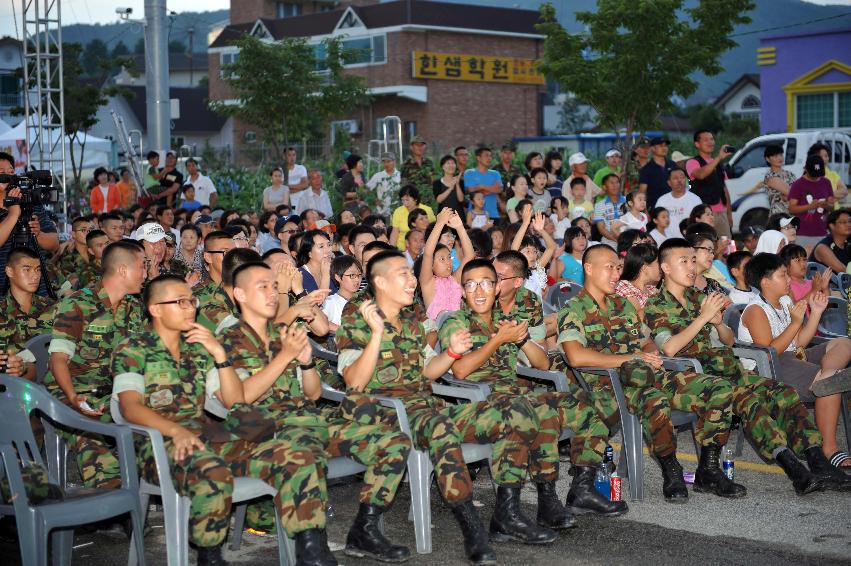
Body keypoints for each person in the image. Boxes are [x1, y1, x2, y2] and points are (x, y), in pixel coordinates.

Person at [336, 250, 556, 564]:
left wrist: (451, 353)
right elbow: (354, 382)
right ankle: (472, 531)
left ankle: (506, 516)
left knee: (515, 412)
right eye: (404, 273)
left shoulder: (411, 318)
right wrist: (375, 335)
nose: (413, 280)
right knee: (439, 426)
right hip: (381, 414)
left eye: (411, 274)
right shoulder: (357, 315)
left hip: (425, 408)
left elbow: (427, 371)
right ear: (380, 282)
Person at [114, 274, 336, 566]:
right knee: (214, 472)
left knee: (296, 457)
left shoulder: (200, 347)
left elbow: (234, 401)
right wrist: (176, 431)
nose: (190, 308)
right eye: (180, 302)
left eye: (192, 301)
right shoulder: (133, 349)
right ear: (155, 309)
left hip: (206, 437)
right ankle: (210, 556)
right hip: (160, 445)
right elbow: (129, 408)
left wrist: (219, 355)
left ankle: (311, 552)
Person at [216, 262, 412, 561]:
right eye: (263, 287)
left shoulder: (287, 333)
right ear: (240, 294)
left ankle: (364, 529)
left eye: (274, 285)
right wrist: (285, 357)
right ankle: (312, 548)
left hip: (307, 422)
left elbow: (313, 394)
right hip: (264, 432)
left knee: (393, 441)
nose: (272, 293)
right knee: (304, 451)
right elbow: (239, 399)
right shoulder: (227, 341)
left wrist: (306, 362)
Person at [646, 240, 850, 493]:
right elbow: (669, 349)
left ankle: (818, 462)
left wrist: (719, 323)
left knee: (782, 392)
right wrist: (703, 318)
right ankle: (794, 470)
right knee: (748, 400)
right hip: (690, 375)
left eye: (693, 260)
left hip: (725, 368)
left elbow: (729, 340)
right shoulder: (656, 304)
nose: (692, 266)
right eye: (684, 261)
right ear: (665, 267)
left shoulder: (700, 298)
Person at [441, 258, 628, 519]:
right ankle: (546, 499)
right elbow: (460, 370)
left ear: (496, 289)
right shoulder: (456, 322)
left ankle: (581, 490)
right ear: (463, 291)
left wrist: (522, 338)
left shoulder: (506, 321)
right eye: (471, 284)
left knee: (589, 405)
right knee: (543, 411)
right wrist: (497, 341)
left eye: (486, 283)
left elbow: (541, 364)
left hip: (516, 395)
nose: (479, 290)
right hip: (480, 403)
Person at [558, 244, 742, 502]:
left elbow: (644, 340)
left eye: (618, 268)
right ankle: (672, 470)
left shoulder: (623, 305)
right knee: (654, 400)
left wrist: (651, 351)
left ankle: (708, 470)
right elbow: (576, 357)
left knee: (719, 388)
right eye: (609, 267)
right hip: (608, 385)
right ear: (588, 268)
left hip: (645, 375)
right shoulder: (573, 308)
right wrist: (629, 358)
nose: (615, 273)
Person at [44, 240, 146, 490]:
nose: (146, 273)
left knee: (153, 424)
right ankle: (110, 499)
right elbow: (58, 360)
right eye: (142, 266)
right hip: (71, 391)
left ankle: (146, 488)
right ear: (123, 270)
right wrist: (73, 397)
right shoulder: (78, 304)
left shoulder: (134, 308)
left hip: (113, 392)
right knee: (87, 436)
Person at [740, 252, 851, 470]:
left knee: (843, 343)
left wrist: (816, 312)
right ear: (765, 282)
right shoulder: (755, 310)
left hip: (793, 355)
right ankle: (829, 449)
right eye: (783, 275)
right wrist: (794, 323)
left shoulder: (784, 300)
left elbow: (800, 341)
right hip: (769, 366)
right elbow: (769, 352)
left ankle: (827, 376)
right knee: (831, 381)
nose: (789, 279)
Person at [0, 152, 59, 295]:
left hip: (38, 288)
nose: (9, 176)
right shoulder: (16, 209)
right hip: (4, 290)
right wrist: (13, 214)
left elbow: (55, 244)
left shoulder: (30, 202)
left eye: (11, 171)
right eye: (2, 173)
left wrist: (38, 234)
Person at [0, 247, 56, 375]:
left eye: (37, 269)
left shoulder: (53, 307)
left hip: (52, 385)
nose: (35, 275)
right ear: (10, 271)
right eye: (26, 269)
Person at [687, 131, 735, 238]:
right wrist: (719, 158)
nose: (710, 142)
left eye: (712, 139)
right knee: (706, 243)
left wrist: (729, 214)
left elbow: (724, 189)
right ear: (697, 144)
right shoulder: (692, 162)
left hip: (721, 212)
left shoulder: (718, 163)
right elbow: (701, 174)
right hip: (703, 214)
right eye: (706, 140)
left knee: (726, 245)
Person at [788, 154, 834, 248]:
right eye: (813, 174)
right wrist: (810, 206)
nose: (816, 177)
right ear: (806, 169)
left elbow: (831, 205)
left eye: (818, 174)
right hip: (802, 233)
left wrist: (826, 205)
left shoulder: (826, 182)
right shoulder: (798, 184)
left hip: (822, 231)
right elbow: (791, 209)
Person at [614, 243, 660, 320]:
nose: (662, 266)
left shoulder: (652, 289)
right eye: (658, 262)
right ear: (644, 268)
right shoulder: (624, 286)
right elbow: (638, 318)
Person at [654, 168, 702, 238]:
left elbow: (700, 222)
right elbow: (657, 223)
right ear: (669, 183)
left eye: (682, 177)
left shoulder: (695, 199)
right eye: (675, 178)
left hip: (690, 240)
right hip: (668, 242)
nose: (679, 180)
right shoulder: (662, 201)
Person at [322, 255, 362, 331]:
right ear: (337, 277)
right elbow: (320, 323)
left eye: (359, 275)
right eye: (352, 275)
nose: (357, 279)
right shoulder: (330, 302)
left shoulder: (364, 300)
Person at [53, 216, 93, 291]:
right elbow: (71, 284)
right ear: (73, 234)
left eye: (90, 230)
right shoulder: (67, 258)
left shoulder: (95, 253)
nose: (88, 233)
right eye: (83, 230)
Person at [463, 146, 503, 221]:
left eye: (490, 156)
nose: (489, 158)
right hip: (474, 214)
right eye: (486, 155)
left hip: (493, 213)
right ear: (478, 158)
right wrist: (492, 189)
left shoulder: (495, 173)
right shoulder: (469, 173)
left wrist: (481, 187)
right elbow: (471, 191)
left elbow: (499, 189)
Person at [390, 185, 435, 250]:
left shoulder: (427, 210)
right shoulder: (398, 211)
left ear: (415, 199)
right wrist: (392, 249)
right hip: (402, 249)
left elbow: (433, 229)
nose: (405, 203)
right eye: (403, 200)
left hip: (423, 248)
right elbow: (395, 233)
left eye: (407, 200)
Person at [809, 208, 851, 273]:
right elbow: (843, 270)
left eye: (850, 221)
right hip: (824, 283)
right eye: (843, 222)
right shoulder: (823, 248)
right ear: (832, 226)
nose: (848, 225)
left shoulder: (848, 242)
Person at [638, 137, 676, 210]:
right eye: (661, 146)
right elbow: (642, 192)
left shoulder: (672, 165)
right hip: (655, 208)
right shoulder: (646, 169)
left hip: (674, 207)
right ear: (652, 149)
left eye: (665, 146)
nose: (664, 148)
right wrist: (645, 211)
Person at [400, 135, 436, 206]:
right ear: (411, 147)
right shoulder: (406, 165)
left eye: (422, 145)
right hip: (414, 202)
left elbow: (433, 181)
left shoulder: (429, 163)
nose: (420, 147)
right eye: (417, 145)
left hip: (429, 201)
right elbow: (404, 186)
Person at [593, 174, 626, 247]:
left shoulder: (629, 201)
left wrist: (626, 240)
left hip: (629, 240)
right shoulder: (599, 205)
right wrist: (617, 240)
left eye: (617, 182)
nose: (615, 185)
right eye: (611, 183)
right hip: (609, 243)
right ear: (604, 187)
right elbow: (601, 229)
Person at [762, 145, 795, 215]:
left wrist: (787, 196)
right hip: (779, 215)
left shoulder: (790, 174)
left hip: (793, 213)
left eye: (781, 155)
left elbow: (799, 191)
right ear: (767, 159)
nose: (779, 158)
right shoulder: (770, 177)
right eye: (775, 156)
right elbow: (792, 192)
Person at [432, 154, 466, 222]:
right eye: (448, 163)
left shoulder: (460, 181)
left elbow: (461, 199)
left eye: (453, 163)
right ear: (442, 167)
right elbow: (439, 200)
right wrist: (451, 187)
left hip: (458, 217)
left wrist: (457, 184)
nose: (451, 165)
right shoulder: (437, 182)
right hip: (443, 218)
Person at [367, 151, 401, 216]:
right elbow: (366, 189)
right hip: (382, 212)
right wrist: (373, 199)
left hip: (398, 212)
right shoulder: (378, 176)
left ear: (394, 162)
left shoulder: (400, 175)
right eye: (384, 162)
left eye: (388, 161)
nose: (386, 164)